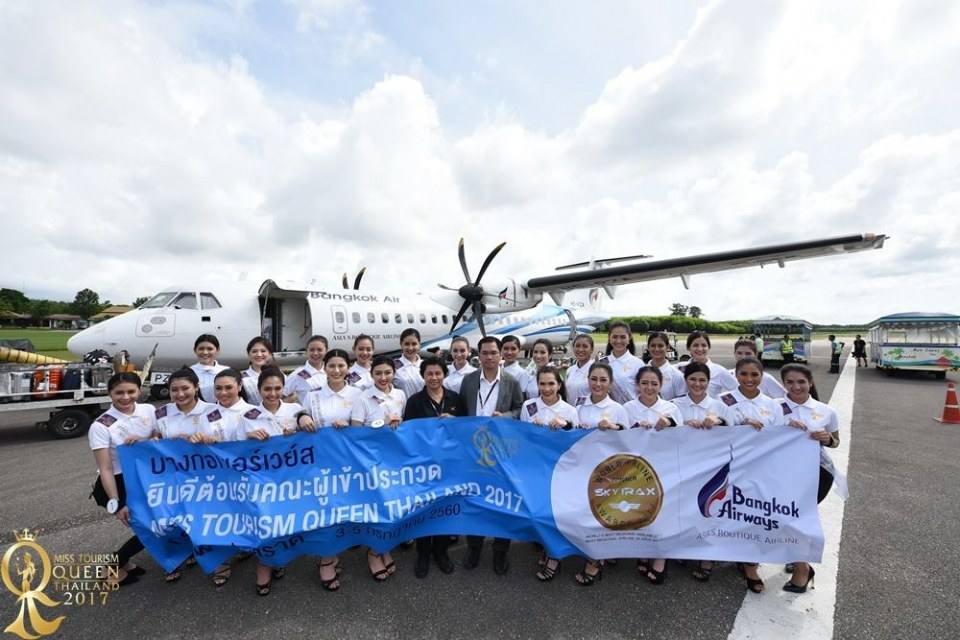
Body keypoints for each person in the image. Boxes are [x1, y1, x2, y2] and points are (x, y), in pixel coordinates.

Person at [238, 366, 312, 595]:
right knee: (265, 522)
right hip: (262, 480)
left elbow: (310, 436)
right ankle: (265, 563)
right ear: (259, 389)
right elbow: (235, 451)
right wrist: (248, 437)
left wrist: (301, 425)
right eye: (267, 389)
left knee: (286, 521)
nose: (272, 393)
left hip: (291, 478)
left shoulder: (295, 409)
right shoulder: (248, 416)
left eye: (277, 388)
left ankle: (280, 558)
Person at [455, 336, 524, 575]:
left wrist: (504, 416)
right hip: (474, 450)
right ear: (479, 355)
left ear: (501, 355)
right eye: (485, 353)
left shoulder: (511, 381)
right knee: (475, 501)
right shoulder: (469, 380)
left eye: (494, 353)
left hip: (501, 451)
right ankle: (474, 547)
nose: (490, 357)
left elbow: (519, 409)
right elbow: (463, 412)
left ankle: (500, 550)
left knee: (501, 501)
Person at [719, 357, 785, 593]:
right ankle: (725, 553)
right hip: (730, 468)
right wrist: (738, 423)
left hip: (761, 469)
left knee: (754, 515)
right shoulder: (723, 401)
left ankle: (750, 565)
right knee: (728, 513)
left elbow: (780, 437)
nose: (749, 379)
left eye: (754, 375)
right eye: (744, 374)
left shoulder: (773, 404)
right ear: (735, 375)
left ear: (762, 376)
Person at [779, 363, 845, 593]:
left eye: (801, 382)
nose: (796, 386)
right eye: (790, 382)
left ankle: (802, 569)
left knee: (800, 518)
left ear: (810, 383)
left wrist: (826, 438)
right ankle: (798, 558)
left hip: (817, 472)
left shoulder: (826, 411)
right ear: (783, 384)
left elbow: (835, 443)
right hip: (780, 473)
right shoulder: (772, 407)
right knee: (784, 517)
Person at [88, 372, 157, 587]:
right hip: (118, 484)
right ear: (110, 394)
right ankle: (113, 565)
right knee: (151, 530)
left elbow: (157, 435)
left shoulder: (149, 410)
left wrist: (146, 438)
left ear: (139, 391)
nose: (125, 397)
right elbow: (105, 468)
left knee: (151, 526)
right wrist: (117, 503)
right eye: (119, 393)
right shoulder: (101, 425)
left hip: (145, 479)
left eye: (131, 391)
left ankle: (123, 561)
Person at [672, 362, 735, 581]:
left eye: (702, 380)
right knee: (682, 509)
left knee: (708, 509)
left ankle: (706, 557)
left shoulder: (720, 406)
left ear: (709, 382)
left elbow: (735, 433)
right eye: (693, 379)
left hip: (711, 469)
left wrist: (718, 421)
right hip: (682, 466)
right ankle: (683, 549)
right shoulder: (674, 404)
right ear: (685, 381)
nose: (697, 384)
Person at [622, 366, 682, 585]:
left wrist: (670, 424)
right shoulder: (627, 408)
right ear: (637, 385)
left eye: (654, 383)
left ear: (661, 385)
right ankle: (644, 550)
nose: (649, 388)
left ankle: (660, 559)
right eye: (644, 383)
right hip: (636, 470)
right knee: (641, 510)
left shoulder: (670, 408)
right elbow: (618, 439)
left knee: (663, 512)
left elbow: (684, 440)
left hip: (664, 469)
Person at [403, 356, 460, 578]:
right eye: (429, 374)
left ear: (444, 375)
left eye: (438, 373)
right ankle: (423, 553)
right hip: (424, 466)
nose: (434, 378)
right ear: (423, 376)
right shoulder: (415, 401)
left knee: (444, 509)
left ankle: (441, 552)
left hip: (449, 465)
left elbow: (465, 429)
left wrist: (454, 422)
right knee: (424, 510)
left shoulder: (455, 398)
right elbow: (408, 434)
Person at [573, 361, 628, 586]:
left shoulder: (618, 409)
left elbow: (629, 442)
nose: (597, 384)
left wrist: (614, 429)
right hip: (582, 468)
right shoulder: (579, 405)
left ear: (611, 383)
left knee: (602, 515)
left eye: (603, 380)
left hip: (608, 472)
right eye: (593, 379)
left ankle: (595, 562)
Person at [521, 366, 578, 582]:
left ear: (559, 385)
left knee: (556, 513)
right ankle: (546, 548)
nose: (546, 388)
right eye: (542, 384)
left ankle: (555, 557)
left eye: (551, 384)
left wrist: (566, 426)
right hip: (535, 468)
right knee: (540, 512)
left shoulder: (569, 410)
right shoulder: (529, 406)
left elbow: (576, 440)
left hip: (559, 470)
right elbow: (520, 437)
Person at [677, 331, 738, 398]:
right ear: (688, 348)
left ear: (709, 347)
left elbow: (738, 390)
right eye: (695, 345)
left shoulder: (719, 371)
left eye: (704, 345)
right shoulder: (679, 368)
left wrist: (721, 403)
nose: (700, 349)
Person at [351, 355, 407, 428]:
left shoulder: (400, 394)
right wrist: (383, 423)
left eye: (387, 373)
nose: (383, 378)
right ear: (371, 374)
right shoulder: (362, 399)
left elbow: (404, 420)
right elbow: (356, 431)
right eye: (378, 373)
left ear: (394, 373)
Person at [601, 321, 642, 404]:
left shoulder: (638, 364)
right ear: (609, 338)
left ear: (629, 338)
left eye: (623, 337)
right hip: (609, 412)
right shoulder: (602, 362)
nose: (618, 341)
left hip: (631, 413)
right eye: (615, 337)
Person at [283, 335, 328, 403]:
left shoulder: (332, 372)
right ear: (307, 351)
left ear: (326, 350)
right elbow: (281, 395)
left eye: (319, 350)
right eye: (312, 350)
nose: (315, 353)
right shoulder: (297, 374)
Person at [644, 332, 684, 400]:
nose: (656, 349)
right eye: (653, 345)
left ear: (668, 347)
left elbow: (681, 402)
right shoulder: (640, 372)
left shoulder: (676, 375)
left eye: (660, 346)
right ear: (648, 347)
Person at [189, 334, 229, 402]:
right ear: (195, 350)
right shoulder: (188, 372)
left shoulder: (227, 371)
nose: (205, 352)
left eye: (210, 349)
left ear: (218, 350)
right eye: (201, 349)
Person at [394, 328, 425, 399]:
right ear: (401, 345)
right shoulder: (393, 365)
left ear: (419, 345)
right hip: (403, 408)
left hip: (424, 408)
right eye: (407, 344)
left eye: (414, 344)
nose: (410, 348)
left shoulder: (426, 365)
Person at [241, 337, 274, 405]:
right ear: (248, 354)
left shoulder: (280, 375)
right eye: (254, 351)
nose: (259, 354)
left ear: (270, 354)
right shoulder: (241, 378)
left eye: (263, 351)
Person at [563, 334, 595, 402]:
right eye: (577, 346)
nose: (580, 349)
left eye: (585, 346)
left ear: (591, 349)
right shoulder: (570, 370)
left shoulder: (595, 369)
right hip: (571, 411)